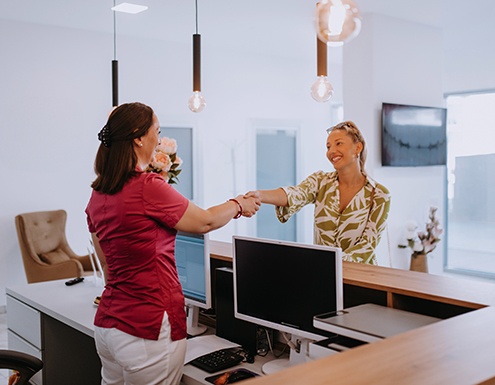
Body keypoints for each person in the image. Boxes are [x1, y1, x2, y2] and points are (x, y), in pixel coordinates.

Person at [85, 102, 260, 385]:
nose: (158, 139)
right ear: (138, 137)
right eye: (157, 131)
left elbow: (106, 262)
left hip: (109, 327)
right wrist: (239, 204)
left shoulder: (99, 193)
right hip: (147, 328)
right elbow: (204, 221)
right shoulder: (146, 186)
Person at [245, 120, 390, 265]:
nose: (331, 151)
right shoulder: (320, 181)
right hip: (324, 275)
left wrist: (328, 264)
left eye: (338, 143)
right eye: (328, 146)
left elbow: (367, 246)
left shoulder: (379, 194)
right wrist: (260, 195)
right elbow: (294, 194)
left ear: (358, 147)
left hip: (361, 279)